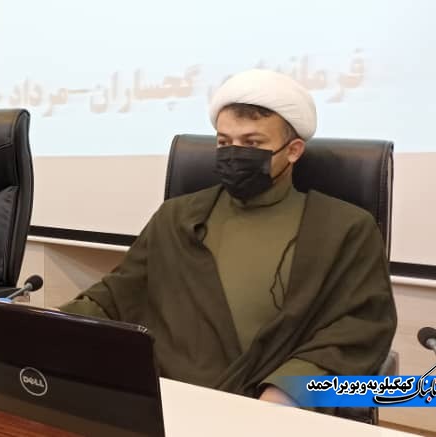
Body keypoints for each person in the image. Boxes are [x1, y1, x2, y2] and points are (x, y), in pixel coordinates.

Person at [59, 69, 397, 407]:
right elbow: (116, 295)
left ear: (293, 150)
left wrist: (287, 392)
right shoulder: (178, 217)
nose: (234, 153)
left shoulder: (344, 228)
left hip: (270, 408)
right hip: (164, 399)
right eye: (224, 142)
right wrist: (48, 328)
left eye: (252, 143)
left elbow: (360, 328)